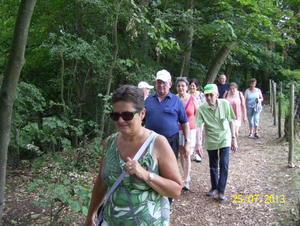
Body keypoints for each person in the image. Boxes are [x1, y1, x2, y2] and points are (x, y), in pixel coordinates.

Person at [85, 85, 182, 226]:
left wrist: (145, 174)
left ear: (142, 114)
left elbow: (176, 190)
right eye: (115, 115)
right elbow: (101, 184)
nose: (120, 121)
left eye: (127, 115)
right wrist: (90, 215)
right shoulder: (109, 143)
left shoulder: (158, 143)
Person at [195, 84, 237, 201]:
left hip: (224, 138)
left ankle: (221, 190)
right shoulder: (202, 108)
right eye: (207, 95)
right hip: (211, 139)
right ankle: (214, 187)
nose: (209, 98)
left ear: (217, 95)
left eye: (211, 95)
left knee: (224, 163)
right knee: (213, 165)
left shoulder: (225, 104)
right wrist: (198, 143)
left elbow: (231, 121)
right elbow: (198, 126)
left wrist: (234, 138)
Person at [145, 69, 191, 160]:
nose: (161, 85)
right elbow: (140, 120)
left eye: (164, 83)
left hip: (171, 141)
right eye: (159, 82)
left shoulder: (176, 100)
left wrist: (187, 142)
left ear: (170, 85)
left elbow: (185, 123)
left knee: (170, 169)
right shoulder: (148, 100)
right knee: (150, 167)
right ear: (155, 83)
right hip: (150, 141)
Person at [176, 77, 198, 191]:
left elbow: (197, 114)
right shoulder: (174, 99)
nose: (181, 88)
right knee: (181, 153)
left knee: (187, 153)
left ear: (187, 87)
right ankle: (185, 174)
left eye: (183, 86)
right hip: (178, 129)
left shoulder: (192, 98)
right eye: (179, 86)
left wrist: (199, 134)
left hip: (191, 129)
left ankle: (186, 179)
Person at [189, 78, 206, 162]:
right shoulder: (186, 95)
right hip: (189, 118)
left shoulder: (201, 95)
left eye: (193, 86)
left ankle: (198, 153)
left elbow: (204, 106)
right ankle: (191, 149)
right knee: (190, 134)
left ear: (197, 87)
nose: (192, 87)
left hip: (199, 118)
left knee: (199, 135)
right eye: (191, 85)